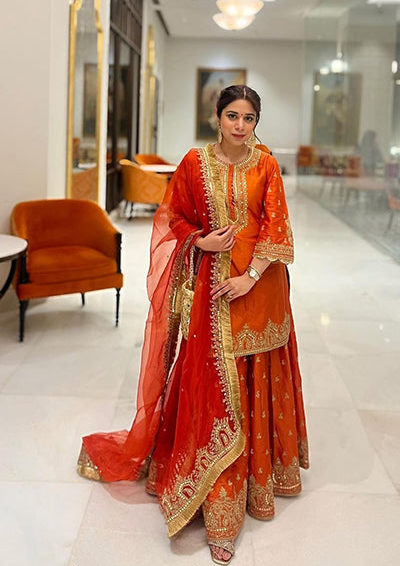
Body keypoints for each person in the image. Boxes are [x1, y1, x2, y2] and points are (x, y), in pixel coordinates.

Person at [77, 85, 309, 565]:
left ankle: (254, 482)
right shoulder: (193, 163)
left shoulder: (266, 166)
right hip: (211, 290)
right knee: (212, 383)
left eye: (248, 118)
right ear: (216, 118)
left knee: (254, 380)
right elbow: (173, 216)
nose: (240, 125)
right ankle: (216, 496)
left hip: (259, 286)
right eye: (232, 116)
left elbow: (277, 228)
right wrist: (201, 242)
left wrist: (249, 277)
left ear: (256, 121)